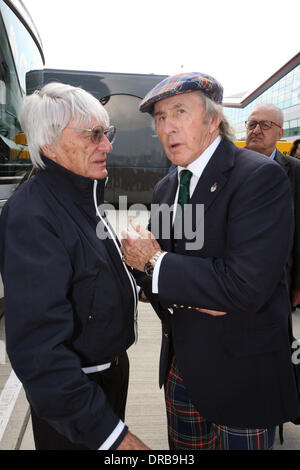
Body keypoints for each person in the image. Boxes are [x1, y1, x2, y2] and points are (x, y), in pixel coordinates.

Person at [121, 72, 300, 450]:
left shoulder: (258, 178)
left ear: (213, 119)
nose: (168, 127)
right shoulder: (167, 187)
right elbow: (156, 278)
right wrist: (153, 272)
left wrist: (156, 263)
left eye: (180, 112)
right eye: (159, 118)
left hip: (243, 378)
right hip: (181, 370)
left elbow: (244, 288)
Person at [0, 83, 149, 450]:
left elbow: (86, 275)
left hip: (105, 378)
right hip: (77, 398)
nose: (108, 146)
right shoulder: (32, 216)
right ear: (49, 143)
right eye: (94, 135)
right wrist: (110, 435)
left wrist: (136, 280)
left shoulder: (78, 194)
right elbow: (38, 351)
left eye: (107, 133)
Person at [245, 103, 300, 310]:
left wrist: (297, 285)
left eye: (265, 125)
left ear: (280, 133)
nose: (256, 130)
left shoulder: (295, 171)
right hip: (231, 280)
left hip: (278, 281)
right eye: (252, 124)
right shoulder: (226, 166)